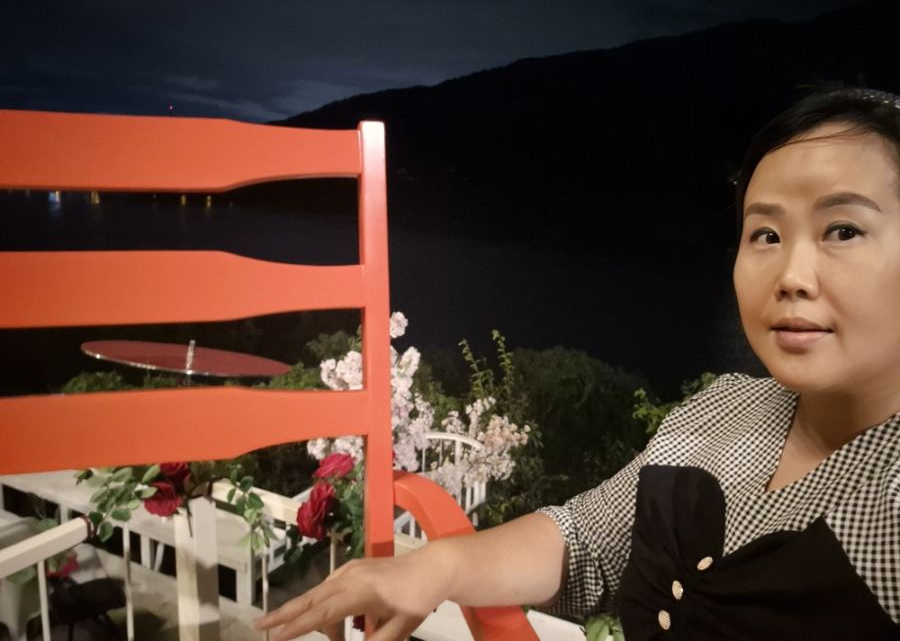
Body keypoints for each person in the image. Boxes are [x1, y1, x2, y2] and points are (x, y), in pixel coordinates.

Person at [255, 88, 900, 640]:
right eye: (766, 234)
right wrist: (436, 567)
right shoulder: (724, 410)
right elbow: (588, 538)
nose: (791, 275)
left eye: (843, 230)